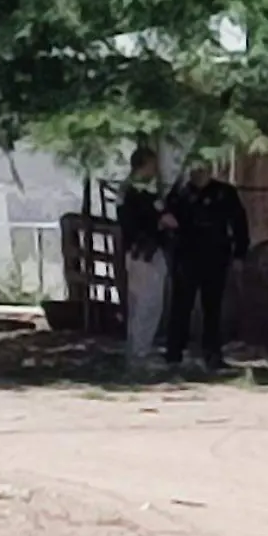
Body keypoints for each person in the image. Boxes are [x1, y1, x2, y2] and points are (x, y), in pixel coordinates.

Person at [164, 159, 250, 372]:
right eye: (195, 170)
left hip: (215, 256)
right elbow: (166, 223)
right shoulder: (180, 194)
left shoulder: (225, 193)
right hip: (187, 256)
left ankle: (212, 354)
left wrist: (240, 253)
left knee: (213, 307)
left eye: (202, 170)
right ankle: (175, 354)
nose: (198, 174)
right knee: (181, 305)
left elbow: (239, 223)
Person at [117, 147, 174, 370]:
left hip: (143, 251)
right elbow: (136, 221)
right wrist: (159, 221)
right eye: (152, 165)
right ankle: (139, 352)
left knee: (142, 302)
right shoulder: (133, 192)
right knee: (147, 303)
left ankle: (137, 349)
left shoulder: (140, 192)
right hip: (143, 252)